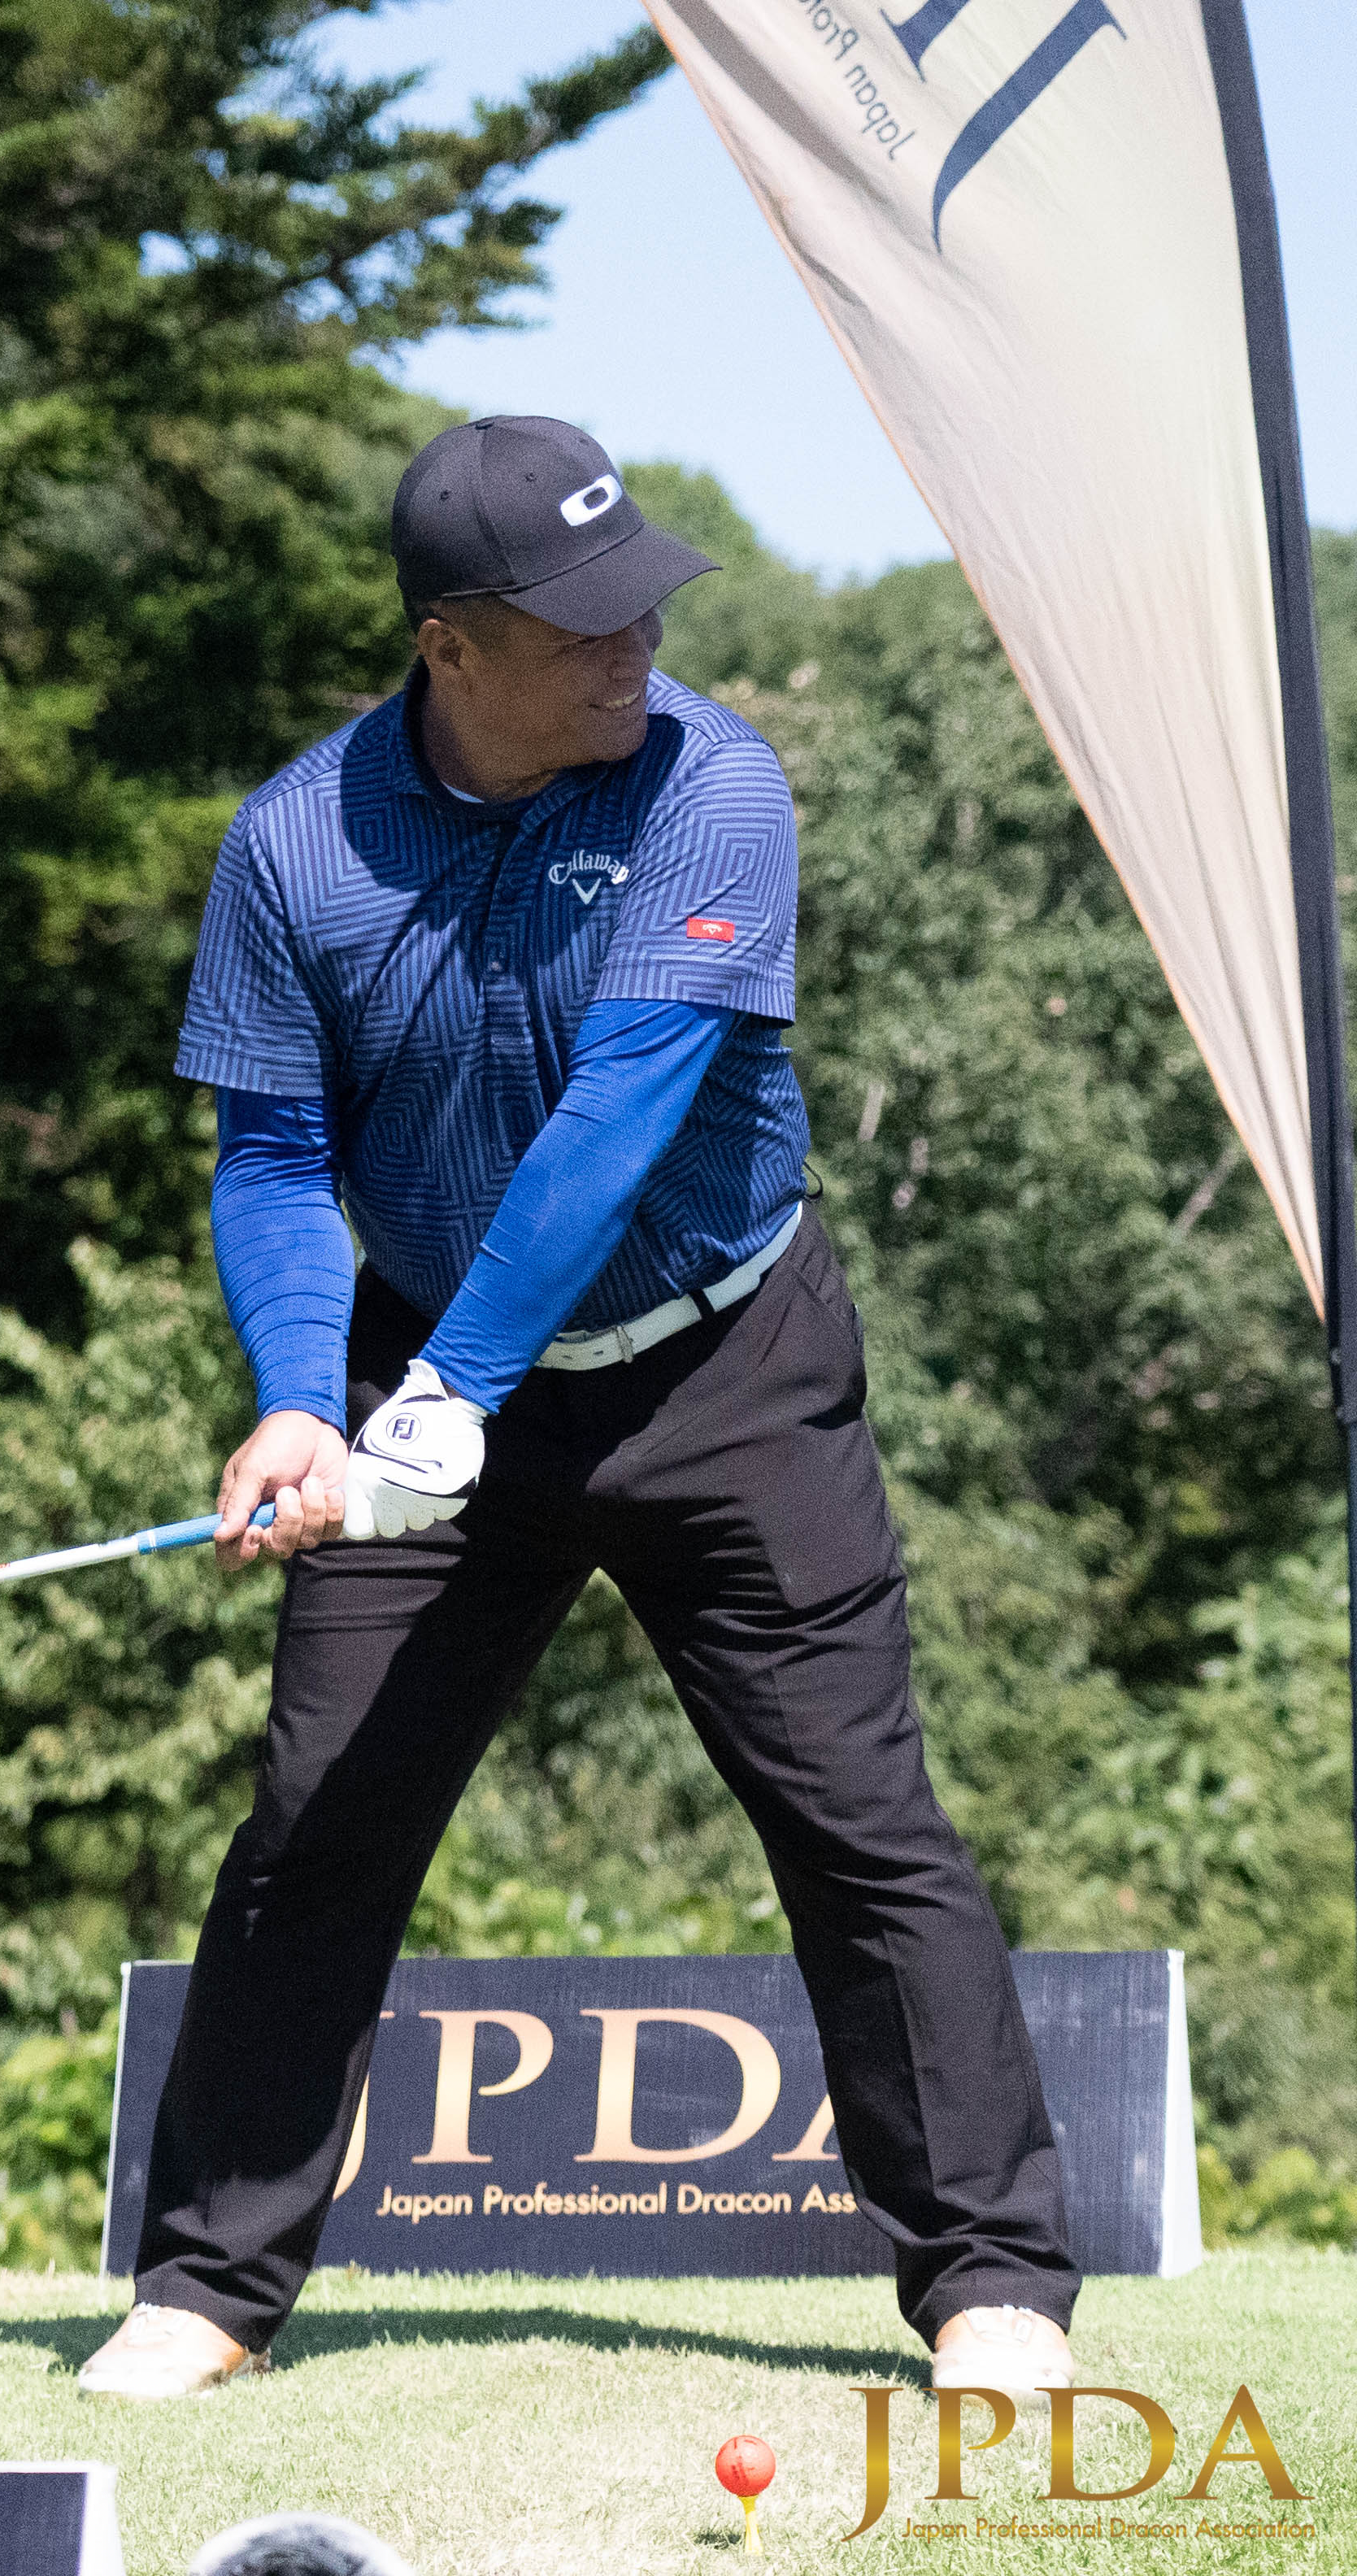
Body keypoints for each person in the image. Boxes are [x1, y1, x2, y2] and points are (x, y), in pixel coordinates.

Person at [79, 415, 1080, 2403]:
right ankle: (206, 2290)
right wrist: (301, 1408)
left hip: (726, 1369)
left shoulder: (714, 781)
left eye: (643, 606)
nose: (637, 649)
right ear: (449, 646)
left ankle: (993, 2284)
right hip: (419, 1371)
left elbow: (619, 1116)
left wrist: (447, 1396)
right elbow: (273, 1160)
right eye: (582, 627)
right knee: (318, 1821)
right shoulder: (294, 846)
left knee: (858, 1819)